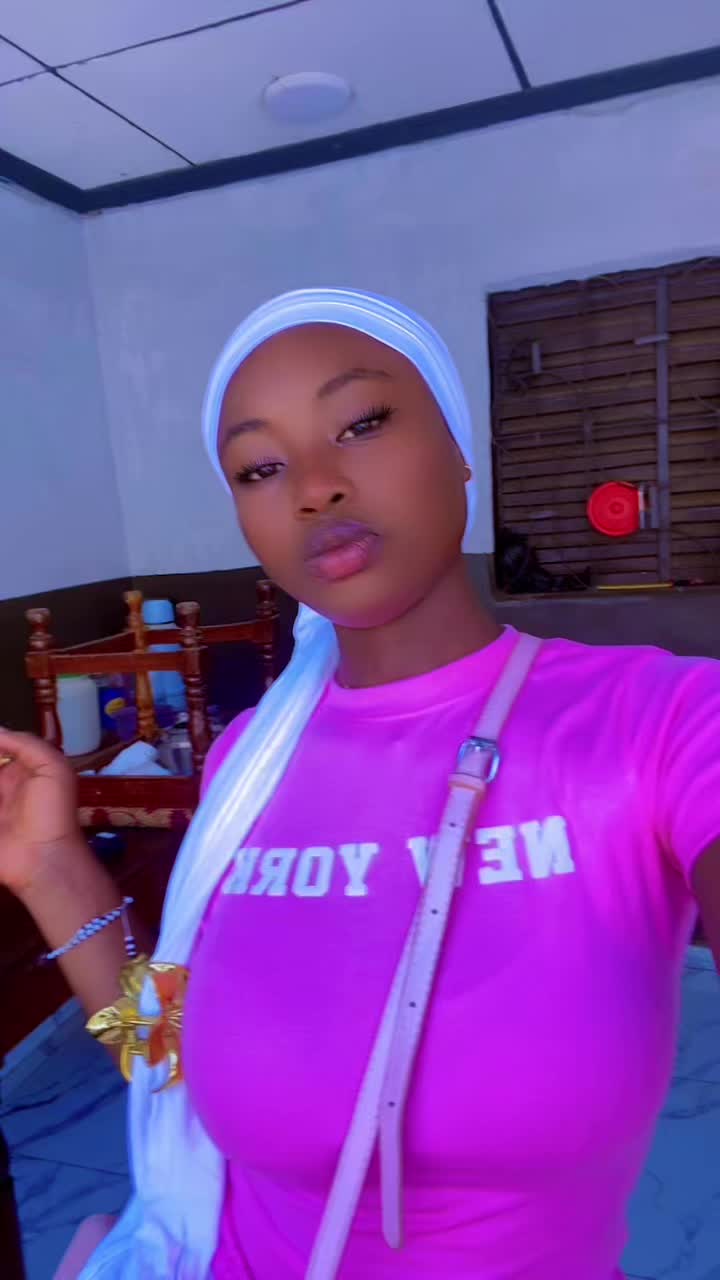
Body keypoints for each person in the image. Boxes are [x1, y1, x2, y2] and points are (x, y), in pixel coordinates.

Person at [1, 288, 719, 1280]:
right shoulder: (252, 758)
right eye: (261, 467)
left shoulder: (659, 719)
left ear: (460, 446)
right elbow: (172, 1048)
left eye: (363, 422)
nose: (316, 486)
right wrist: (50, 868)